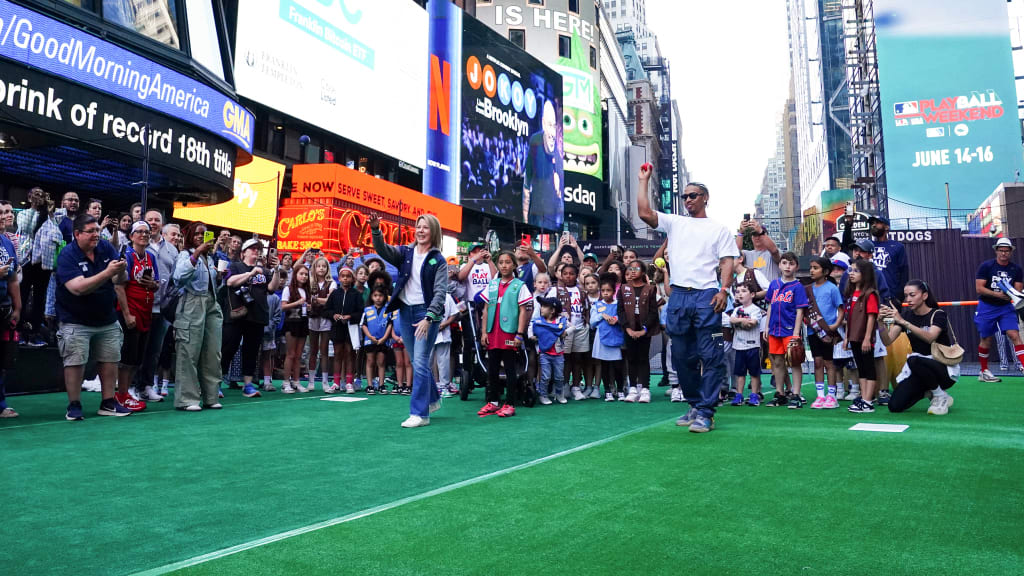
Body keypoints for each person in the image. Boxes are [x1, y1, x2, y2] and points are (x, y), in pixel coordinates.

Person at [638, 166, 738, 434]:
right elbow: (644, 213)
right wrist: (643, 181)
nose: (688, 200)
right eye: (685, 197)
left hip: (707, 296)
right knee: (681, 357)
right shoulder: (675, 222)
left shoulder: (719, 229)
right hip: (679, 296)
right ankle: (695, 404)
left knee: (712, 355)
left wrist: (724, 289)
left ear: (705, 198)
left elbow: (728, 260)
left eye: (693, 195)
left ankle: (706, 411)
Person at [370, 213, 449, 428]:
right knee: (417, 361)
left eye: (425, 227)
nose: (421, 231)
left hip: (427, 314)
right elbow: (383, 250)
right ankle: (432, 399)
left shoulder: (438, 260)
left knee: (421, 362)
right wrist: (376, 230)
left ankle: (419, 414)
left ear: (434, 232)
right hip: (405, 311)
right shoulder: (405, 252)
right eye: (418, 227)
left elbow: (441, 292)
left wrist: (429, 317)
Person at [56, 214, 129, 420]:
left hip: (106, 317)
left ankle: (108, 403)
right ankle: (74, 405)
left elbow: (119, 279)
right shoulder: (67, 255)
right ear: (77, 234)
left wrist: (121, 271)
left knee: (110, 359)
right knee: (75, 361)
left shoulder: (105, 248)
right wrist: (107, 273)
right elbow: (78, 288)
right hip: (75, 318)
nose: (96, 235)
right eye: (91, 231)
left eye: (98, 230)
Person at [878, 280, 959, 415]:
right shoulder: (907, 315)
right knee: (895, 406)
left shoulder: (938, 314)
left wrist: (904, 322)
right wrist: (879, 322)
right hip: (919, 369)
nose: (908, 299)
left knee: (914, 359)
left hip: (943, 368)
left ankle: (939, 395)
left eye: (912, 295)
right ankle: (931, 392)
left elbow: (930, 337)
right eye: (906, 296)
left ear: (924, 296)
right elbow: (887, 341)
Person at [172, 221, 223, 411]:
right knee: (189, 351)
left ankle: (211, 396)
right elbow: (178, 277)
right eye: (198, 234)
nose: (201, 237)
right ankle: (187, 399)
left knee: (212, 352)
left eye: (205, 234)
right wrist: (196, 252)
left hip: (211, 302)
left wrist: (218, 276)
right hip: (191, 303)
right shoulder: (185, 255)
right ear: (190, 237)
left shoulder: (209, 259)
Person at [222, 238, 282, 398]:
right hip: (237, 314)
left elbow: (272, 288)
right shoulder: (235, 265)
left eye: (258, 249)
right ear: (243, 252)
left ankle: (248, 385)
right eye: (252, 248)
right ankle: (215, 384)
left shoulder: (265, 271)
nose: (256, 251)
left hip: (257, 316)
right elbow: (229, 282)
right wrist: (251, 273)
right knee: (228, 348)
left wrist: (276, 270)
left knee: (251, 352)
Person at [476, 251, 532, 418]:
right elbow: (485, 310)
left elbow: (523, 311)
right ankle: (493, 402)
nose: (504, 265)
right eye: (501, 262)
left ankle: (510, 403)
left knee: (509, 369)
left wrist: (520, 334)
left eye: (508, 262)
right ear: (497, 265)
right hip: (493, 333)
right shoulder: (492, 285)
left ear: (514, 265)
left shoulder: (519, 286)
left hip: (509, 334)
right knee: (492, 369)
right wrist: (484, 332)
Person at [113, 221, 160, 412]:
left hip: (146, 311)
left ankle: (126, 391)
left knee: (137, 357)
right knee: (127, 356)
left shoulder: (150, 257)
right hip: (131, 310)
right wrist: (126, 314)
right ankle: (122, 394)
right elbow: (119, 286)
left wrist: (152, 284)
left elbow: (156, 283)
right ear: (131, 236)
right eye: (139, 232)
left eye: (147, 232)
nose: (143, 235)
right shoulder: (127, 256)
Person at [136, 212, 177, 401]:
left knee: (155, 350)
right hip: (140, 306)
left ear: (162, 224)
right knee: (137, 348)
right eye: (150, 219)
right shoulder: (137, 246)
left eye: (157, 220)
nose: (153, 223)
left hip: (162, 308)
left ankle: (146, 387)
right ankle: (130, 387)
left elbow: (176, 279)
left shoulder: (172, 250)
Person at [974, 238, 1024, 382]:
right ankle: (984, 371)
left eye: (1006, 251)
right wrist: (998, 294)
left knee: (1014, 335)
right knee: (986, 339)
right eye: (1001, 250)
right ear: (996, 251)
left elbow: (1018, 289)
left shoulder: (1016, 269)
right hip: (987, 306)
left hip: (1006, 307)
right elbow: (979, 288)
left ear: (1011, 252)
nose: (1003, 253)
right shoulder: (986, 266)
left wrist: (1011, 294)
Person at [16, 187, 61, 348]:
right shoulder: (23, 214)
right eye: (35, 194)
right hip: (27, 259)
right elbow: (27, 228)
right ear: (29, 198)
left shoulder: (50, 216)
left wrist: (49, 213)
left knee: (39, 298)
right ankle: (19, 330)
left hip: (45, 262)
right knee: (22, 294)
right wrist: (37, 210)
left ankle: (35, 332)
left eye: (41, 195)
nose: (39, 197)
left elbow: (57, 234)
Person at [763, 252, 808, 408]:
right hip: (775, 329)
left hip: (790, 330)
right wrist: (767, 326)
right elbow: (770, 306)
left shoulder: (798, 286)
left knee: (794, 361)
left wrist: (796, 333)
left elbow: (800, 311)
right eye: (784, 263)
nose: (787, 266)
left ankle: (796, 394)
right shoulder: (773, 284)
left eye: (791, 263)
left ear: (796, 266)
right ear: (779, 265)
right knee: (777, 362)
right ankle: (780, 393)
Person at [805, 256, 844, 409]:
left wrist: (835, 325)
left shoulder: (832, 288)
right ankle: (820, 395)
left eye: (815, 268)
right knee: (818, 362)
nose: (812, 271)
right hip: (812, 330)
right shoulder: (808, 289)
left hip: (827, 331)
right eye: (811, 268)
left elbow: (840, 309)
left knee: (829, 362)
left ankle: (832, 395)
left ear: (826, 271)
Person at [619, 259, 660, 403]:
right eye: (630, 269)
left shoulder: (650, 289)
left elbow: (653, 312)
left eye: (636, 269)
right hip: (629, 330)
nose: (633, 271)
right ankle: (632, 388)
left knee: (643, 358)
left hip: (644, 331)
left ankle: (645, 389)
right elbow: (621, 311)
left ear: (643, 272)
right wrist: (628, 329)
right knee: (631, 359)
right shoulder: (623, 288)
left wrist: (644, 329)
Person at [844, 259, 881, 413]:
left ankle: (868, 400)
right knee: (861, 368)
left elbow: (871, 316)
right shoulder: (851, 293)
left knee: (868, 367)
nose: (851, 274)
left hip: (864, 338)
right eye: (851, 270)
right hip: (853, 337)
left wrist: (867, 338)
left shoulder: (870, 294)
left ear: (865, 274)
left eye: (856, 271)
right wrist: (846, 337)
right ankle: (864, 398)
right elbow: (849, 318)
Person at [457, 244, 495, 391]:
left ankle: (486, 371)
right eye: (475, 251)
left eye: (480, 251)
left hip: (488, 305)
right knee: (469, 342)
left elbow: (496, 278)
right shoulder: (465, 265)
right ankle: (467, 374)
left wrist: (490, 261)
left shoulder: (487, 266)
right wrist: (473, 261)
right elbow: (461, 277)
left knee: (487, 340)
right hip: (470, 307)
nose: (478, 253)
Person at [522, 99, 563, 229]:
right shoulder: (536, 141)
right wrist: (525, 218)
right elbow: (527, 182)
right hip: (536, 214)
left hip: (553, 217)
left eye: (554, 125)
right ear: (543, 124)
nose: (552, 132)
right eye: (549, 125)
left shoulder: (559, 151)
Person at [556, 263, 592, 401]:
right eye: (565, 273)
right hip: (565, 330)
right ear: (561, 275)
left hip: (580, 329)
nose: (568, 276)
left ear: (576, 276)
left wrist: (587, 323)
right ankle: (564, 385)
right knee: (565, 359)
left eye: (571, 273)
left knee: (578, 358)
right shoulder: (557, 291)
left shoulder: (582, 292)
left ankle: (576, 387)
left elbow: (587, 308)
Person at [327, 267, 362, 393]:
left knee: (350, 354)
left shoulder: (356, 294)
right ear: (339, 278)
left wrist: (350, 317)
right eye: (343, 276)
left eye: (348, 276)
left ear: (352, 278)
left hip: (351, 328)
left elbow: (360, 312)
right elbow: (327, 309)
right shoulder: (335, 294)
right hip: (337, 327)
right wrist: (334, 315)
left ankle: (349, 383)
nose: (345, 278)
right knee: (337, 354)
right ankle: (336, 383)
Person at [727, 284, 763, 406]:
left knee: (754, 372)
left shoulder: (755, 309)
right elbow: (731, 320)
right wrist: (743, 321)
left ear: (752, 294)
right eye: (737, 291)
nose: (740, 294)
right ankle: (739, 394)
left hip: (752, 346)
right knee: (740, 372)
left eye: (744, 291)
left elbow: (752, 323)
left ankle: (754, 394)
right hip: (739, 346)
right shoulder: (737, 310)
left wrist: (740, 321)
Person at [592, 273, 625, 401]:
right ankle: (607, 391)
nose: (605, 293)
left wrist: (616, 319)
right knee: (604, 366)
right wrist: (602, 316)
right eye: (603, 290)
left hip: (615, 338)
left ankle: (620, 390)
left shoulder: (618, 304)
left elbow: (623, 318)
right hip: (602, 339)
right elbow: (592, 323)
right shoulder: (597, 305)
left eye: (608, 290)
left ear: (613, 291)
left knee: (618, 366)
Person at [0, 220, 21, 418]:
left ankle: (0, 404)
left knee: (2, 358)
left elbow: (13, 277)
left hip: (3, 307)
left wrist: (18, 307)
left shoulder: (6, 242)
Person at [305, 256, 336, 392]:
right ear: (314, 268)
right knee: (313, 350)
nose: (321, 268)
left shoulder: (332, 283)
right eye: (319, 266)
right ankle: (311, 381)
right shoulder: (309, 282)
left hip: (325, 319)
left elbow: (330, 301)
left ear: (327, 268)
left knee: (324, 351)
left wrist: (316, 300)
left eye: (324, 266)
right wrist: (319, 301)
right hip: (313, 318)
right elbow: (307, 301)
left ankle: (325, 382)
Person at [531, 296, 567, 405]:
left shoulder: (561, 321)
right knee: (545, 376)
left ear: (552, 310)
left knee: (559, 376)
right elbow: (535, 332)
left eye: (545, 306)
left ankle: (559, 394)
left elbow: (570, 328)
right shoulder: (538, 322)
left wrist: (566, 332)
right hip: (545, 354)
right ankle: (543, 395)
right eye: (541, 306)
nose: (541, 308)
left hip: (558, 354)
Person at [281, 265, 311, 393]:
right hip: (291, 322)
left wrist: (309, 307)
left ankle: (296, 381)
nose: (304, 276)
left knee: (299, 355)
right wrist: (297, 303)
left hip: (303, 322)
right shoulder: (288, 289)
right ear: (295, 274)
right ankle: (286, 382)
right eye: (301, 274)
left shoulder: (307, 290)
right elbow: (283, 306)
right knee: (291, 354)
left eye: (306, 274)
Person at [868, 215, 908, 305]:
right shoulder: (867, 245)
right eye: (872, 223)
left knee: (890, 319)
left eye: (877, 223)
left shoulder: (898, 246)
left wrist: (899, 297)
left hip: (890, 296)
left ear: (886, 227)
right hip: (869, 294)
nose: (874, 225)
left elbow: (904, 272)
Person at [361, 287, 393, 394]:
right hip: (370, 340)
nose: (378, 298)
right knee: (370, 361)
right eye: (375, 296)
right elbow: (363, 325)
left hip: (383, 340)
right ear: (371, 297)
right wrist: (370, 336)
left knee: (381, 361)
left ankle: (381, 385)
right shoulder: (367, 310)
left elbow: (390, 325)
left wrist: (384, 338)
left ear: (384, 297)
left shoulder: (388, 310)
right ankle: (370, 385)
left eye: (380, 296)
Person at [433, 291, 460, 397]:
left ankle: (444, 386)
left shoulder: (447, 296)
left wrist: (445, 324)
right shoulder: (424, 294)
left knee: (443, 361)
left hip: (443, 334)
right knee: (428, 361)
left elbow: (454, 313)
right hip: (427, 333)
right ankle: (432, 385)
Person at [737, 217, 781, 284]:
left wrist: (760, 231)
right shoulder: (747, 254)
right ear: (751, 237)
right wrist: (740, 232)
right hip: (753, 293)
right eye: (754, 235)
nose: (757, 237)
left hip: (772, 292)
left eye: (759, 235)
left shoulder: (771, 253)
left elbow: (774, 251)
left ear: (765, 236)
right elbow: (735, 254)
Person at [261, 291, 281, 391]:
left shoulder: (274, 298)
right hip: (252, 329)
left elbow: (277, 316)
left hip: (268, 333)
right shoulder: (252, 293)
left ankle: (267, 381)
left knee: (267, 356)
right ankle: (249, 382)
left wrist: (269, 326)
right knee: (250, 356)